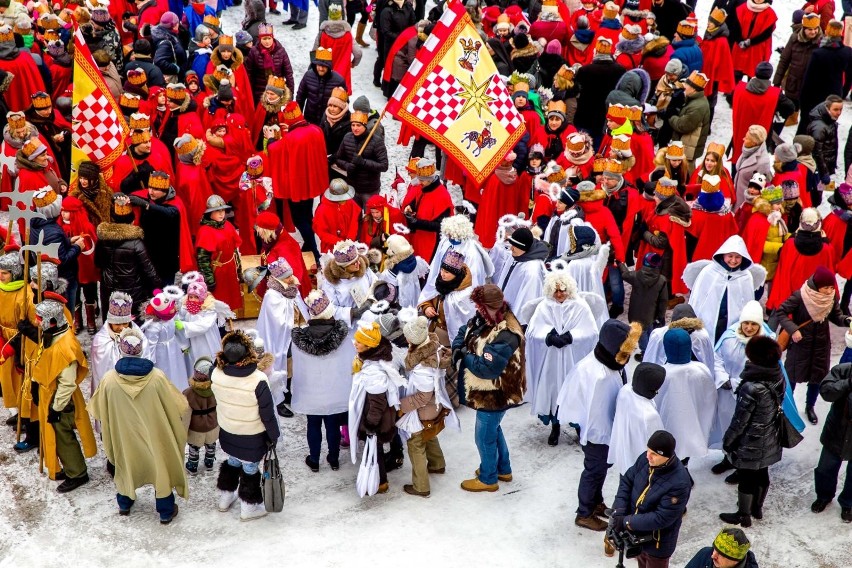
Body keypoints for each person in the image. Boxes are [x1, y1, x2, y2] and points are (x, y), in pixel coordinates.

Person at [87, 327, 188, 523]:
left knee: (126, 464)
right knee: (160, 466)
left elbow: (97, 409)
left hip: (125, 436)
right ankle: (165, 510)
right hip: (155, 436)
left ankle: (124, 503)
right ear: (141, 350)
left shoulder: (109, 380)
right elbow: (178, 405)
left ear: (122, 351)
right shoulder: (157, 377)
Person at [558, 319, 642, 531]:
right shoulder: (599, 375)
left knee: (600, 470)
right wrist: (607, 436)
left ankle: (595, 502)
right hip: (599, 434)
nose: (629, 356)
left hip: (605, 432)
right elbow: (597, 415)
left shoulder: (609, 361)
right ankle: (584, 513)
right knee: (594, 470)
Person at [452, 284, 526, 492]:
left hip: (495, 393)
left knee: (484, 436)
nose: (476, 310)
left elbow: (487, 368)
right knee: (493, 429)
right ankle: (503, 468)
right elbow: (463, 331)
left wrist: (464, 356)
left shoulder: (506, 333)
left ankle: (488, 478)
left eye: (479, 306)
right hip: (488, 391)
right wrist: (459, 347)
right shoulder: (484, 319)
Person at [30, 292, 97, 489]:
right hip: (50, 394)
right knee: (55, 434)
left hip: (60, 399)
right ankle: (65, 468)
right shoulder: (53, 334)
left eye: (40, 318)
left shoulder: (65, 346)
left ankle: (77, 472)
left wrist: (56, 408)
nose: (36, 321)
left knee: (62, 435)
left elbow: (67, 383)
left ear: (51, 321)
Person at [212, 330, 281, 521]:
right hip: (252, 436)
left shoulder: (216, 374)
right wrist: (273, 436)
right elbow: (267, 413)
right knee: (250, 469)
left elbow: (213, 366)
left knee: (233, 461)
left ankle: (225, 498)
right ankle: (249, 507)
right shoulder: (257, 379)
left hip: (227, 431)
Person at [524, 271, 598, 445]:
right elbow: (533, 330)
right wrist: (547, 336)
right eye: (555, 291)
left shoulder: (580, 306)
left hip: (573, 359)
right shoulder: (544, 306)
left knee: (575, 391)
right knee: (553, 390)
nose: (559, 294)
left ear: (569, 289)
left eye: (563, 290)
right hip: (552, 360)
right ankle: (555, 427)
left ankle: (579, 426)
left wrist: (572, 336)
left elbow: (592, 331)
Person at [720, 336, 785, 527]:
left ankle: (743, 515)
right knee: (762, 471)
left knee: (747, 476)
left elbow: (740, 420)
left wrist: (728, 440)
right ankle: (757, 508)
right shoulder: (778, 375)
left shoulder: (751, 386)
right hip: (770, 434)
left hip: (751, 440)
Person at [778, 266, 851, 425]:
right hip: (800, 345)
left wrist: (846, 320)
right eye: (826, 287)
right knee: (792, 377)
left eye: (832, 287)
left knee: (817, 378)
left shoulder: (831, 298)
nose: (829, 290)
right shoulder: (800, 296)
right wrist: (793, 329)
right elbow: (781, 312)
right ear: (817, 285)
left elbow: (836, 316)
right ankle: (785, 407)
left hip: (821, 345)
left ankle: (810, 407)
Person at [396, 316, 459, 497]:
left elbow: (423, 396)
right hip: (435, 405)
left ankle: (421, 486)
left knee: (415, 443)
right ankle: (437, 464)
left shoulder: (424, 366)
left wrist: (402, 406)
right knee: (428, 433)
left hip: (424, 408)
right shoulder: (434, 348)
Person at [291, 289, 353, 472]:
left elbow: (299, 367)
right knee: (333, 423)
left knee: (313, 424)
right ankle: (334, 459)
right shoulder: (343, 336)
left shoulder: (300, 338)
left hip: (311, 392)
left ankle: (314, 460)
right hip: (335, 390)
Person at [610, 430, 692, 567]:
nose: (648, 456)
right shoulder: (646, 459)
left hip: (658, 543)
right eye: (648, 450)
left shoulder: (680, 483)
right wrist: (619, 509)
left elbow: (661, 518)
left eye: (654, 453)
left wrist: (627, 521)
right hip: (637, 535)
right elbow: (627, 480)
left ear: (666, 456)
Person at [348, 321, 405, 494]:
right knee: (378, 446)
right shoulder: (374, 358)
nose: (354, 343)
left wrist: (370, 424)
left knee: (376, 448)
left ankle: (381, 482)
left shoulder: (374, 372)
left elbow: (377, 403)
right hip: (382, 413)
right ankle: (395, 458)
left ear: (369, 345)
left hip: (377, 417)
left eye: (359, 342)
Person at [683, 236, 766, 343]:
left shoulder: (746, 277)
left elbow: (748, 301)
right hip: (707, 319)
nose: (733, 260)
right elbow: (697, 298)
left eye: (737, 257)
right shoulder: (709, 271)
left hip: (731, 323)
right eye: (730, 256)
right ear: (723, 255)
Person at [656, 328, 716, 465]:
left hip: (668, 423)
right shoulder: (701, 369)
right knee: (686, 447)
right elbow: (710, 398)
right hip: (693, 422)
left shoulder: (661, 373)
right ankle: (684, 468)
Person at [95, 194, 162, 315]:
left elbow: (98, 263)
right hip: (132, 293)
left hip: (109, 292)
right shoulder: (136, 243)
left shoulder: (102, 239)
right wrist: (158, 290)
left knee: (112, 326)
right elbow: (149, 271)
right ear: (132, 221)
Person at [608, 362, 666, 476]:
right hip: (642, 464)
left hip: (625, 454)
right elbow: (659, 443)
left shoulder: (625, 390)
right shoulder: (649, 415)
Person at [812, 363, 852, 522]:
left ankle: (848, 503)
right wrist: (848, 383)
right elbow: (826, 392)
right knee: (825, 468)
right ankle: (824, 496)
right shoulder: (844, 370)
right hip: (837, 432)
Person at [333, 108, 389, 209]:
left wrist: (363, 162)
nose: (355, 128)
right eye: (353, 125)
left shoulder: (376, 141)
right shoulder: (347, 137)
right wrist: (347, 166)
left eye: (358, 125)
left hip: (369, 190)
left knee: (370, 218)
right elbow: (338, 158)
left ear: (365, 125)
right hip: (351, 188)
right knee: (354, 218)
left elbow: (384, 166)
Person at [195, 195, 243, 311]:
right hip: (218, 273)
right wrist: (210, 281)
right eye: (217, 211)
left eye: (222, 210)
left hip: (230, 269)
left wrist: (238, 269)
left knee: (231, 300)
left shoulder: (227, 225)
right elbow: (203, 259)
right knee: (218, 302)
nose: (221, 214)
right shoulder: (205, 231)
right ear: (210, 213)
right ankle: (220, 326)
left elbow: (234, 251)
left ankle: (228, 319)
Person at [495, 227, 548, 323]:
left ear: (523, 248)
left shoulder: (531, 270)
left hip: (513, 321)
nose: (511, 248)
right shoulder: (515, 256)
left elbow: (527, 302)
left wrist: (514, 324)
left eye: (514, 246)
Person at [619, 252, 668, 355]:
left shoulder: (636, 276)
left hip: (635, 314)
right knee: (649, 329)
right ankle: (652, 347)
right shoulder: (661, 280)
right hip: (651, 314)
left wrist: (620, 263)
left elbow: (624, 274)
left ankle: (646, 353)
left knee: (641, 334)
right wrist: (661, 316)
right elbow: (663, 301)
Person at [182, 357, 219, 474]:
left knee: (194, 448)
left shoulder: (188, 393)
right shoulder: (216, 388)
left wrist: (182, 431)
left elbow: (186, 415)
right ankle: (209, 462)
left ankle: (192, 465)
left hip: (196, 429)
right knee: (211, 445)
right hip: (213, 426)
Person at [245, 24, 295, 104]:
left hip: (277, 92)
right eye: (264, 39)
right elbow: (249, 74)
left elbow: (288, 74)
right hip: (259, 93)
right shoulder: (254, 52)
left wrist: (290, 95)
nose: (267, 41)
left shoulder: (280, 51)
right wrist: (249, 94)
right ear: (260, 39)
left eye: (269, 38)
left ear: (272, 38)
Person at [296, 48, 347, 126]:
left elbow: (344, 104)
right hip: (309, 120)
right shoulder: (308, 76)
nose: (321, 68)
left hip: (328, 123)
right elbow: (300, 97)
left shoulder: (339, 81)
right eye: (319, 65)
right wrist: (299, 118)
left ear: (329, 66)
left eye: (324, 66)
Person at [808, 94, 843, 191]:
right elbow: (817, 152)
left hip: (823, 167)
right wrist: (824, 173)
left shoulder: (829, 121)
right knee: (816, 195)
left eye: (841, 109)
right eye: (835, 110)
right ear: (827, 108)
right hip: (817, 170)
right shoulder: (819, 127)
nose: (839, 113)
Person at [684, 528, 758, 568]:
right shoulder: (705, 554)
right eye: (715, 549)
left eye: (721, 554)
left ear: (735, 560)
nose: (713, 556)